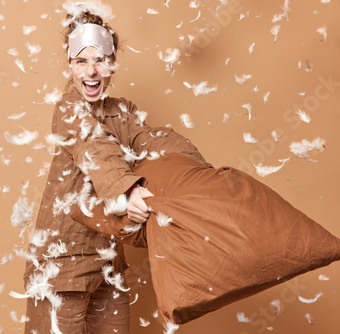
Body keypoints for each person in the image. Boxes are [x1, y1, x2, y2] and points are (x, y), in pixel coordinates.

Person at [22, 3, 211, 333]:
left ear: (111, 65)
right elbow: (97, 149)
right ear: (70, 65)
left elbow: (152, 140)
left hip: (108, 263)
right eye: (81, 61)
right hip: (62, 265)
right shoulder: (69, 108)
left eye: (100, 61)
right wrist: (129, 190)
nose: (91, 72)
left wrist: (200, 170)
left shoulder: (123, 111)